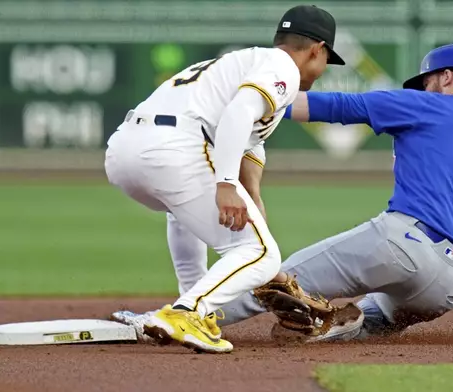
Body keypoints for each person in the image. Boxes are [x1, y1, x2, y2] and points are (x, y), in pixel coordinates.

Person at [113, 44, 453, 344]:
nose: (423, 85)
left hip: (401, 245)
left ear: (447, 77)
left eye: (427, 78)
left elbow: (336, 107)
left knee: (272, 276)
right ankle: (335, 324)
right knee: (362, 320)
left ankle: (173, 318)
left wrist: (252, 101)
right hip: (448, 288)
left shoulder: (428, 103)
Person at [104, 4, 344, 354]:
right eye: (326, 60)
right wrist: (226, 183)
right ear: (317, 49)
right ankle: (188, 312)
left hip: (125, 150)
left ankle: (191, 306)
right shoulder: (283, 68)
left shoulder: (239, 63)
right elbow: (239, 113)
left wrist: (253, 197)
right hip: (176, 147)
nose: (322, 70)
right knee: (261, 254)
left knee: (183, 214)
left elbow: (247, 139)